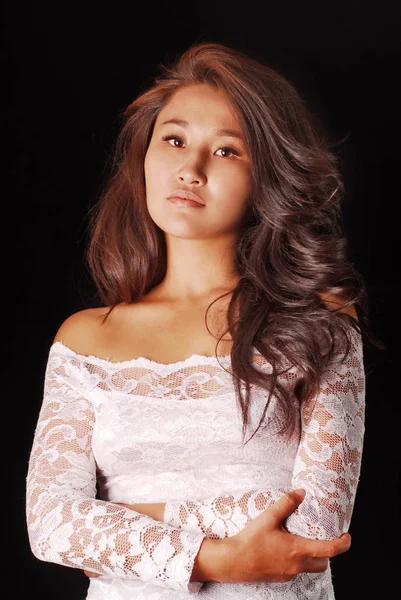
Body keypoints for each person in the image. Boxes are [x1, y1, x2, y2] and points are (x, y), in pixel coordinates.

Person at [26, 41, 378, 600]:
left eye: (226, 151)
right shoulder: (85, 338)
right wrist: (218, 558)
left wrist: (113, 523)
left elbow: (316, 531)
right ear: (144, 155)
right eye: (174, 139)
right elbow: (48, 526)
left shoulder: (320, 323)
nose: (189, 169)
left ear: (267, 178)